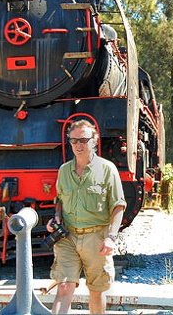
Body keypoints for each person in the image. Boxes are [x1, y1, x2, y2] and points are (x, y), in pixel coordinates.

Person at [47, 119, 126, 314]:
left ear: (94, 141)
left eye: (83, 140)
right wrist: (56, 218)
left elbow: (119, 206)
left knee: (96, 291)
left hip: (97, 238)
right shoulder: (64, 170)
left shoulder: (108, 169)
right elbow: (59, 199)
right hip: (67, 237)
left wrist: (111, 237)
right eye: (74, 141)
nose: (78, 145)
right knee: (64, 287)